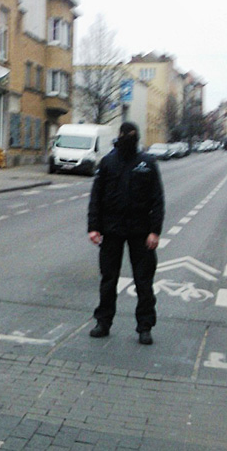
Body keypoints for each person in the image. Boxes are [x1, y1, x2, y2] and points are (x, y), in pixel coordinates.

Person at [86, 121, 164, 345]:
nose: (129, 140)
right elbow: (96, 198)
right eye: (126, 136)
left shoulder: (147, 163)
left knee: (143, 281)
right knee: (108, 279)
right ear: (120, 137)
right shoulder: (108, 162)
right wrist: (93, 227)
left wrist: (155, 232)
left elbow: (157, 200)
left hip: (141, 230)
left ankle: (145, 326)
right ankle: (103, 322)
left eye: (132, 136)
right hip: (112, 229)